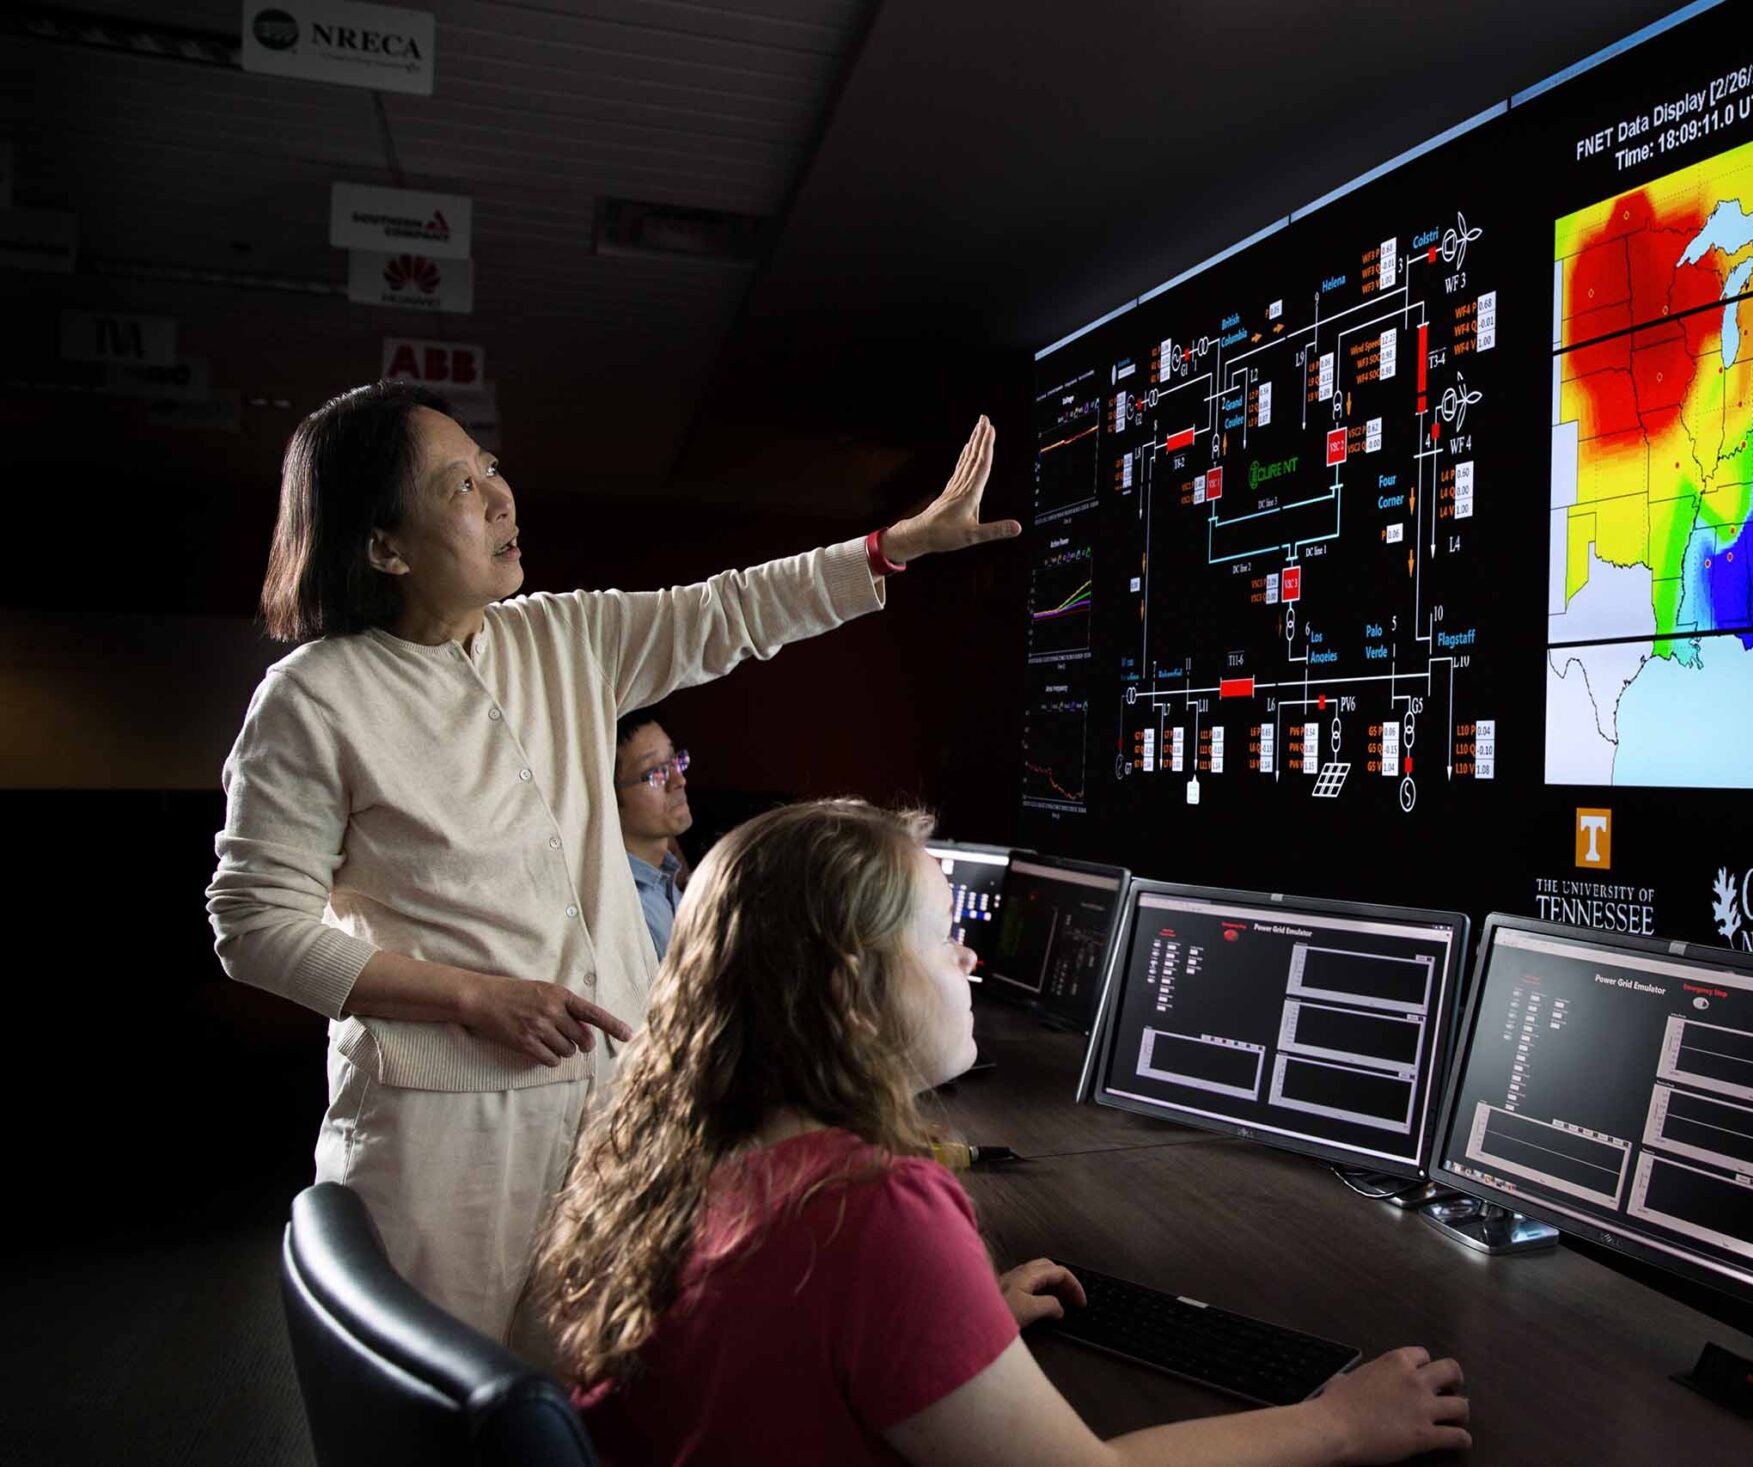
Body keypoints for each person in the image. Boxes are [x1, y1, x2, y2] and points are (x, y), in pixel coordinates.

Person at [205, 381, 1016, 1350]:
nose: (501, 499)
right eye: (459, 487)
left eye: (491, 470)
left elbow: (730, 611)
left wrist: (892, 549)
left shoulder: (560, 637)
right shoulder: (312, 699)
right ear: (384, 545)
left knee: (608, 1394)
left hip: (612, 1109)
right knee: (461, 1418)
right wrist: (470, 997)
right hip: (442, 1140)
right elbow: (254, 926)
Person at [539, 800, 1472, 1465]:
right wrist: (1342, 1422)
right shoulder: (869, 1209)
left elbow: (794, 1334)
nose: (968, 955)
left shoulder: (677, 1145)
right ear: (847, 992)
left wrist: (950, 1317)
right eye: (942, 934)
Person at [611, 706, 691, 962]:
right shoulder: (625, 907)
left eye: (675, 761)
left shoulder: (666, 879)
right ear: (609, 795)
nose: (678, 780)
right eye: (656, 772)